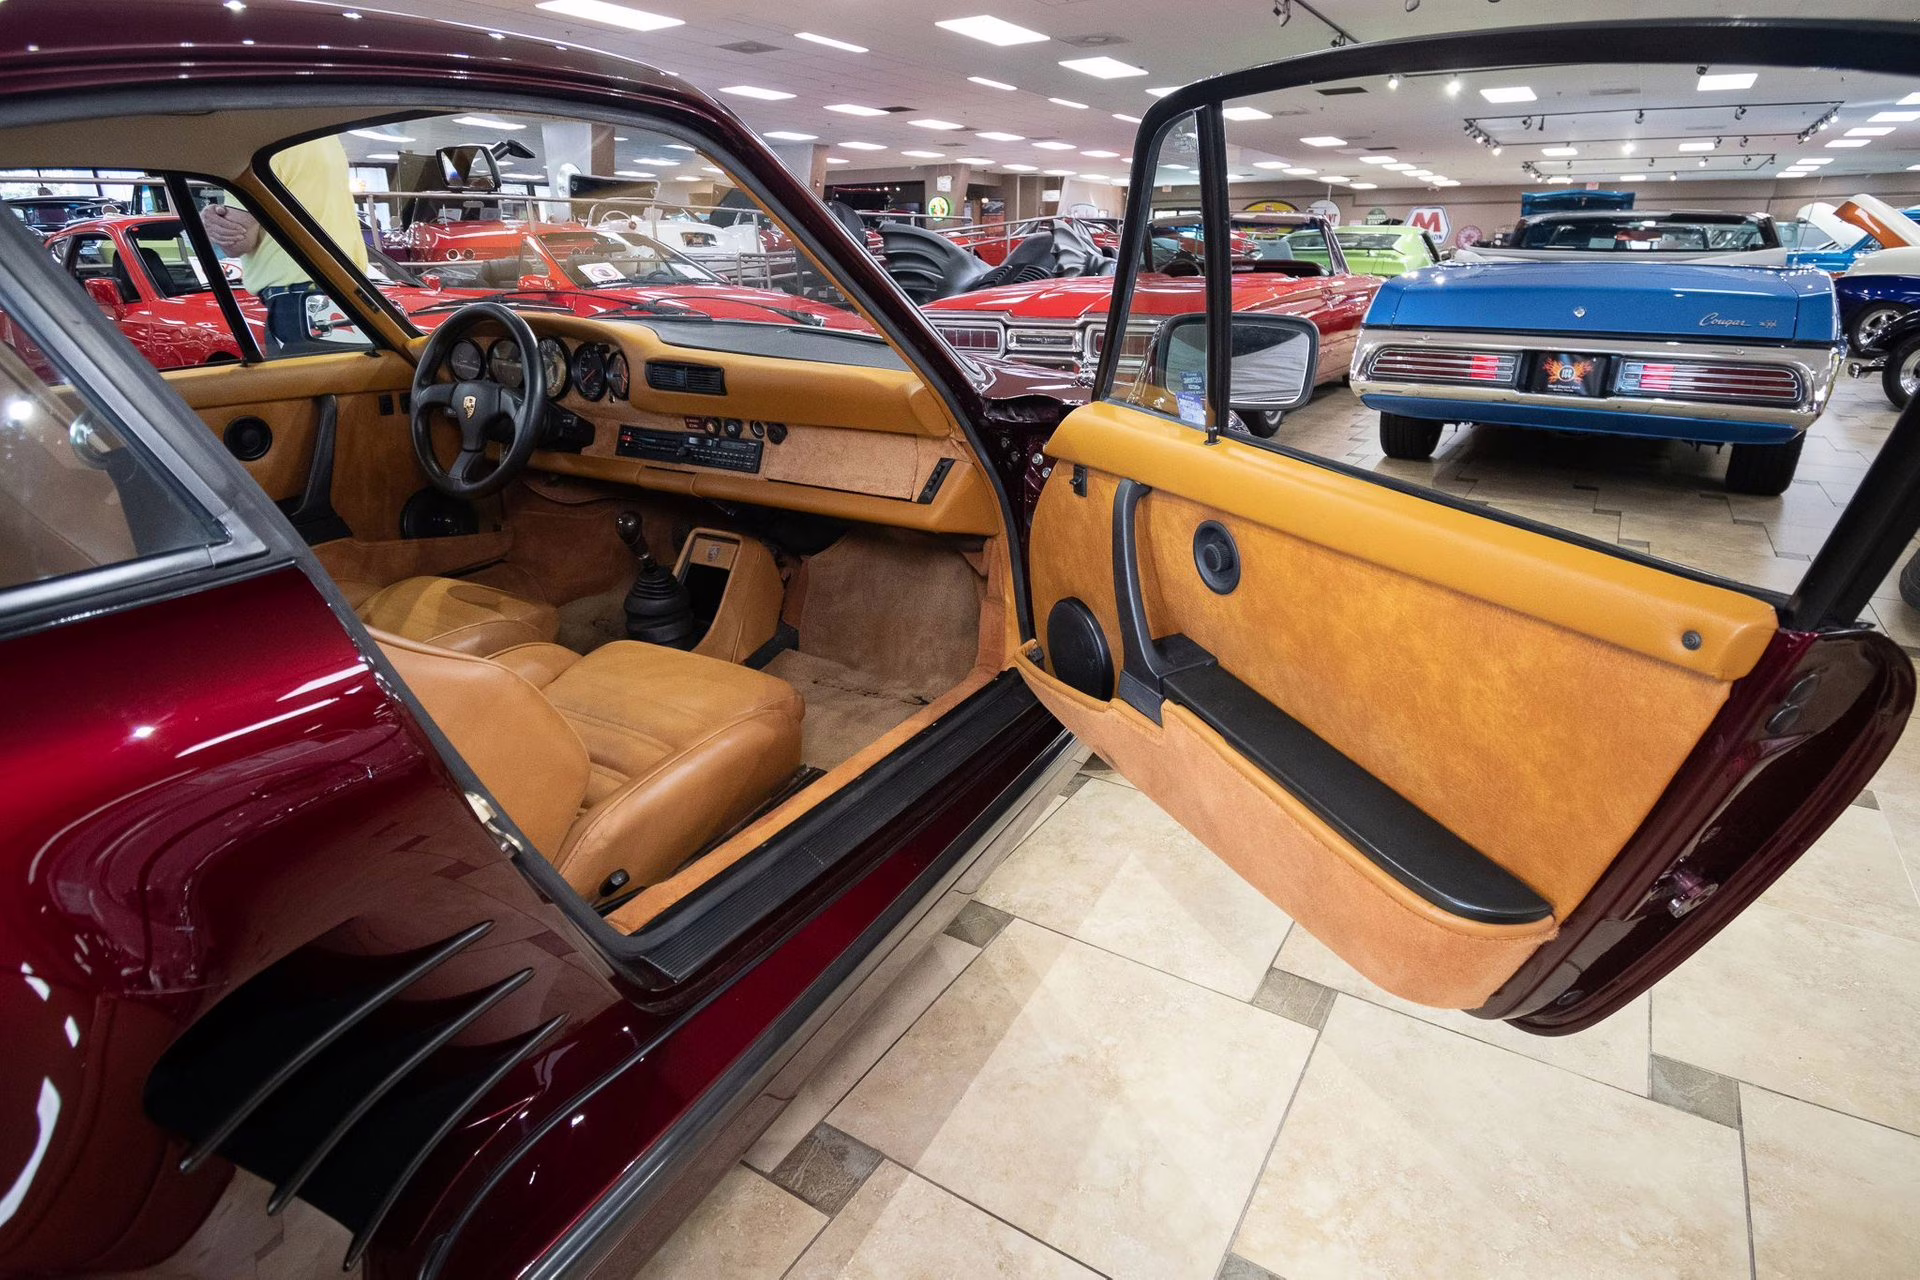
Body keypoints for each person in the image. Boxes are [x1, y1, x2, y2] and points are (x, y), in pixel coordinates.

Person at [201, 135, 365, 352]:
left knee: (306, 382)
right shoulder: (324, 139)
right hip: (347, 290)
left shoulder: (259, 150)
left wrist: (208, 219)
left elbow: (237, 241)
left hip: (296, 301)